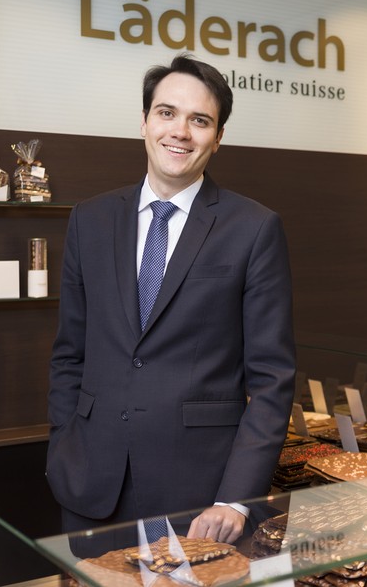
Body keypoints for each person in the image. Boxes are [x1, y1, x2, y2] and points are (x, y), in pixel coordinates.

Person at [46, 53, 295, 545]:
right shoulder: (90, 220)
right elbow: (68, 352)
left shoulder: (254, 228)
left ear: (218, 137)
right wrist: (63, 445)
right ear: (144, 122)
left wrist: (235, 498)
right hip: (90, 485)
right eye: (166, 113)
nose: (180, 131)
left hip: (200, 500)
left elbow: (272, 380)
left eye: (199, 120)